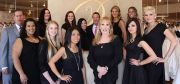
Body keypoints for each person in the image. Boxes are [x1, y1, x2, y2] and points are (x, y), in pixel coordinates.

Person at [143, 6, 177, 84]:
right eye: (146, 15)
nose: (148, 17)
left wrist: (166, 58)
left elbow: (174, 41)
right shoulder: (146, 29)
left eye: (150, 14)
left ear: (155, 15)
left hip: (156, 62)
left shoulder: (161, 26)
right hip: (146, 60)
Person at [88, 17, 123, 84]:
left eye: (107, 25)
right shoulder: (95, 41)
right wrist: (98, 68)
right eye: (102, 24)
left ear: (110, 27)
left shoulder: (115, 39)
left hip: (111, 75)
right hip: (98, 75)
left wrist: (106, 68)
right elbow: (90, 58)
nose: (105, 27)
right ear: (99, 27)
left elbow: (119, 57)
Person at [122, 18, 157, 84]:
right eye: (128, 26)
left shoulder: (141, 41)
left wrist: (140, 63)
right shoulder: (128, 40)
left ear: (137, 27)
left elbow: (154, 56)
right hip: (128, 68)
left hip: (136, 70)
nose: (130, 28)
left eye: (133, 25)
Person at [12, 18, 41, 84]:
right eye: (28, 26)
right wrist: (21, 74)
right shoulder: (20, 40)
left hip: (36, 73)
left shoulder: (40, 40)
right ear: (25, 28)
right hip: (23, 74)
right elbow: (15, 58)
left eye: (33, 26)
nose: (31, 28)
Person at [0, 9, 24, 84]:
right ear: (14, 17)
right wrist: (3, 66)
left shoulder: (27, 30)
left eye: (20, 15)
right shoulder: (7, 30)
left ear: (23, 17)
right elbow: (3, 49)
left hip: (23, 63)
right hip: (9, 64)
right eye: (17, 16)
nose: (19, 17)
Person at [110, 5, 126, 84]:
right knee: (112, 63)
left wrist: (123, 46)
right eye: (113, 11)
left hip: (118, 46)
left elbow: (124, 34)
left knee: (117, 63)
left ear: (119, 12)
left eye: (116, 11)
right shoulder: (111, 22)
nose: (114, 13)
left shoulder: (120, 21)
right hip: (112, 46)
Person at [77, 18, 95, 84]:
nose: (84, 24)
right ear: (79, 24)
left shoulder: (89, 30)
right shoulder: (78, 32)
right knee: (87, 70)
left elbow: (94, 40)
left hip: (91, 52)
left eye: (85, 23)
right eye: (82, 23)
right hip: (84, 53)